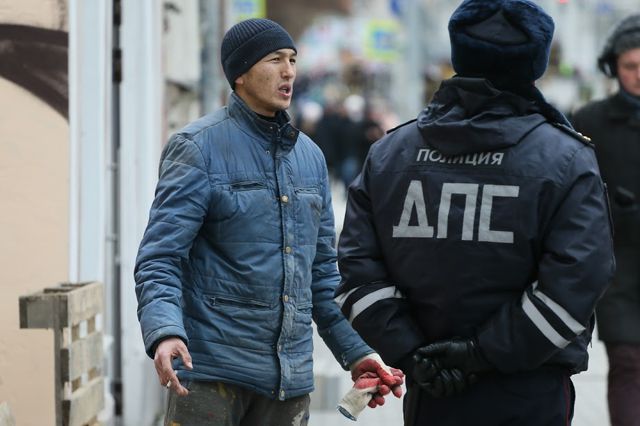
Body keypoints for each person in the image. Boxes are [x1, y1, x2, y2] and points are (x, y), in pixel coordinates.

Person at [334, 1, 616, 425]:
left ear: (458, 54)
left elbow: (358, 272)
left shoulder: (392, 153)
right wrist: (481, 353)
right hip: (529, 387)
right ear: (535, 63)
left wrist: (413, 352)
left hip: (432, 388)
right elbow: (578, 280)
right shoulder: (566, 158)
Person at [134, 18, 402, 426]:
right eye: (275, 59)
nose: (288, 71)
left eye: (292, 59)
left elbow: (322, 276)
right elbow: (160, 257)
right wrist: (165, 331)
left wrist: (358, 352)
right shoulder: (198, 148)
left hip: (288, 384)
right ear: (240, 73)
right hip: (211, 376)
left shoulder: (310, 158)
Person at [571, 14, 640, 426]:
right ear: (614, 68)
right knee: (628, 361)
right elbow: (572, 191)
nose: (639, 75)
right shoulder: (589, 121)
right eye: (630, 66)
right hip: (618, 267)